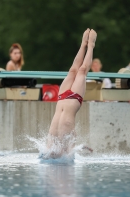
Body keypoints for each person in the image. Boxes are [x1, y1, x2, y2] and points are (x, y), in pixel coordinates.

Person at [42, 29, 97, 159]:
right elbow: (72, 150)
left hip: (62, 99)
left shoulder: (54, 150)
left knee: (73, 70)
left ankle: (84, 44)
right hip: (72, 100)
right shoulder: (64, 153)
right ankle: (90, 46)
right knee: (82, 70)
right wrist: (81, 147)